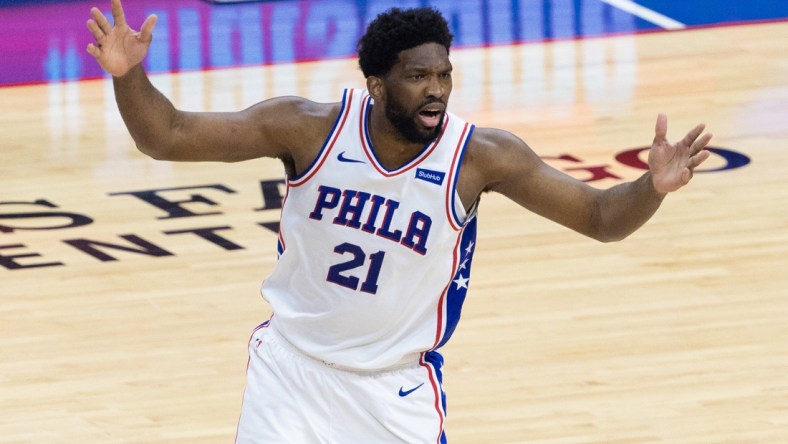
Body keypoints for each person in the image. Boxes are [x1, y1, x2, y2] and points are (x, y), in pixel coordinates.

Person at [86, 0, 712, 442]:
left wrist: (650, 187)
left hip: (394, 391)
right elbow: (166, 136)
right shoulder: (307, 127)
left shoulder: (480, 157)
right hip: (290, 374)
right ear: (376, 85)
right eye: (417, 77)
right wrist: (128, 75)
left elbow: (601, 218)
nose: (436, 90)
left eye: (443, 74)